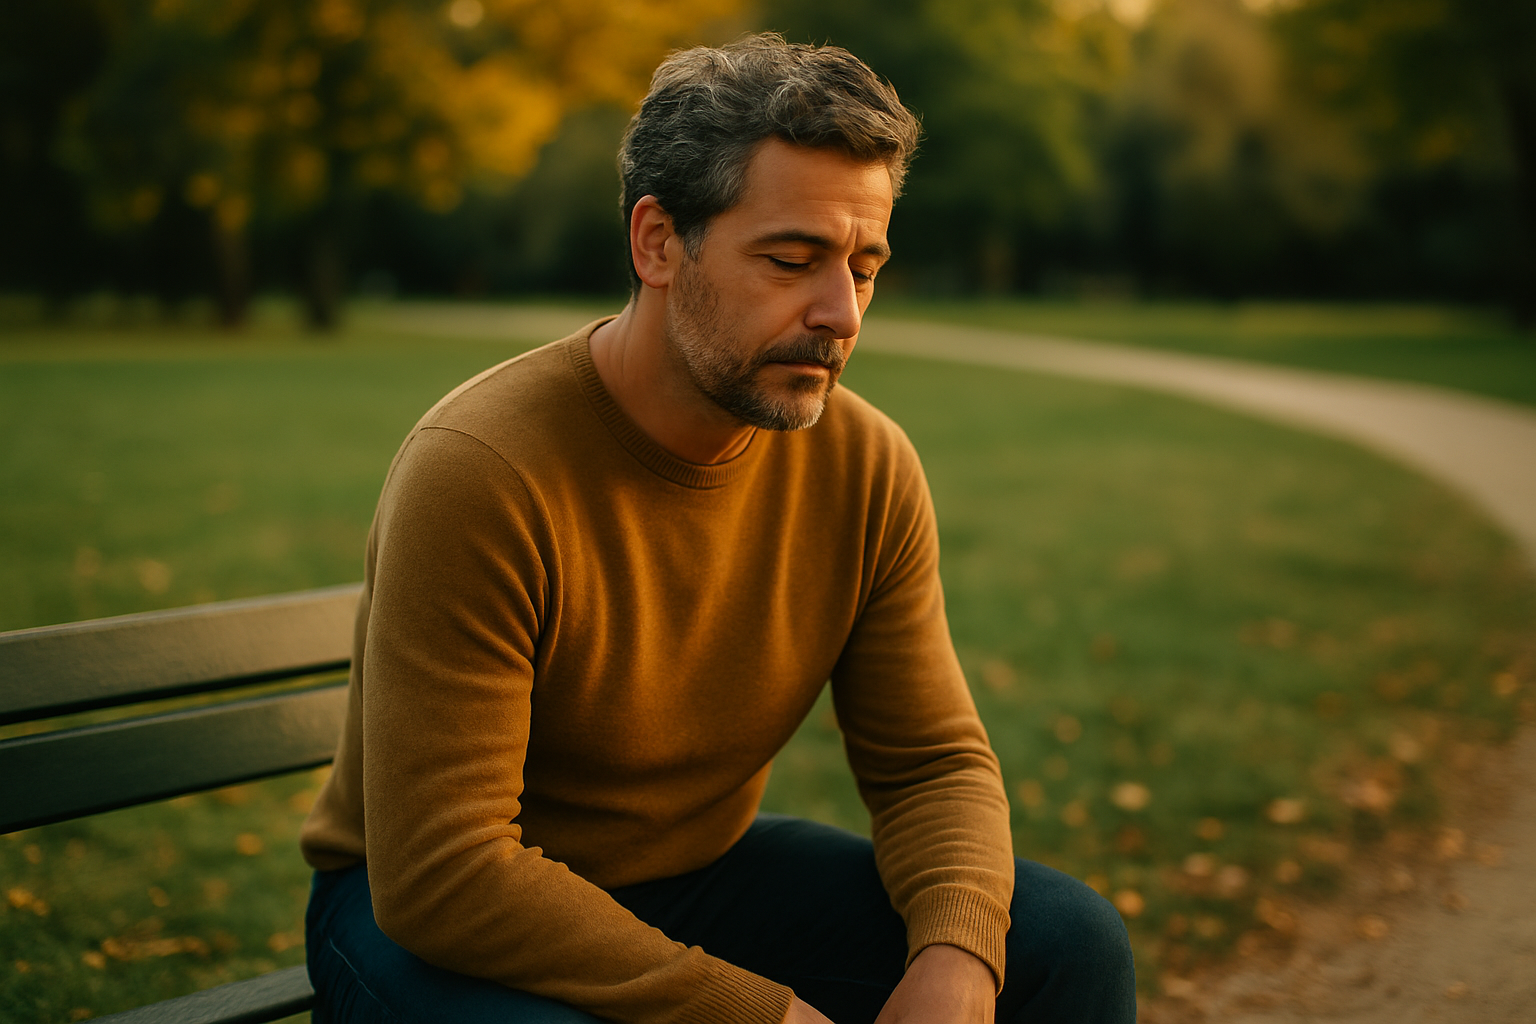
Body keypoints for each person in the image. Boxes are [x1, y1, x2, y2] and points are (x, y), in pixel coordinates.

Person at [299, 33, 1136, 1024]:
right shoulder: (482, 469)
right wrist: (755, 1013)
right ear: (657, 242)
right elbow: (447, 869)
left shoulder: (866, 466)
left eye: (865, 266)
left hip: (695, 874)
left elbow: (931, 763)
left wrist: (958, 959)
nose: (841, 313)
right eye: (793, 259)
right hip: (423, 920)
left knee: (1062, 942)